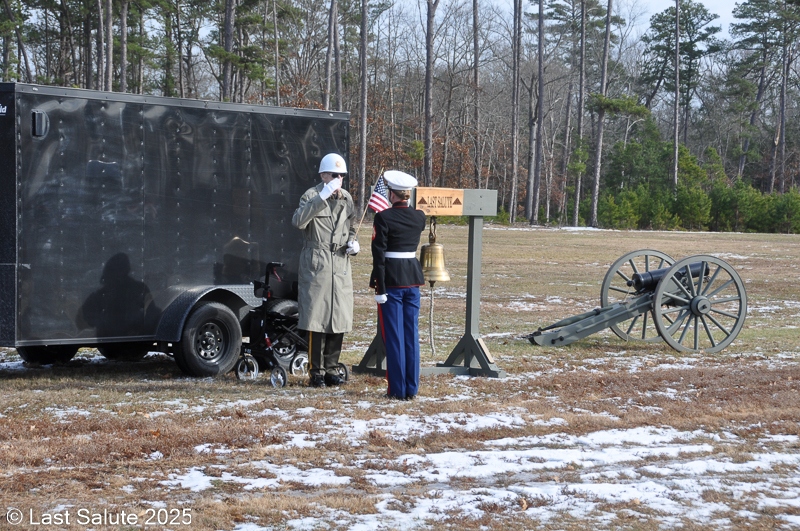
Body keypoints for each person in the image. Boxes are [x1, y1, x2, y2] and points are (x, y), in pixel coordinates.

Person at [292, 153, 360, 387]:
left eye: (342, 175)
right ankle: (316, 372)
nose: (339, 179)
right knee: (317, 319)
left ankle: (331, 369)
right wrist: (321, 197)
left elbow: (351, 225)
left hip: (340, 263)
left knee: (338, 318)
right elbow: (298, 221)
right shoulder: (311, 196)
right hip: (318, 262)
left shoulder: (346, 199)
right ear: (323, 175)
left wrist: (353, 243)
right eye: (334, 175)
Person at [369, 170, 426, 400]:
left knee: (394, 337)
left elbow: (379, 256)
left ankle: (396, 390)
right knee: (411, 335)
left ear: (392, 194)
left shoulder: (383, 218)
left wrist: (379, 288)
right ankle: (411, 388)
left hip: (391, 282)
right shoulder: (419, 217)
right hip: (412, 279)